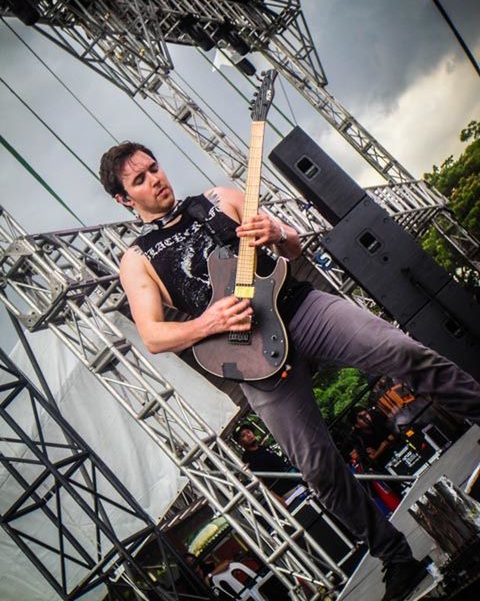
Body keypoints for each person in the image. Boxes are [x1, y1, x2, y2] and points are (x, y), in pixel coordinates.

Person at [99, 142, 480, 601]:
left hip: (299, 308)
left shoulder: (219, 199)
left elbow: (294, 244)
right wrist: (208, 322)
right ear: (123, 199)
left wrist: (277, 231)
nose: (155, 179)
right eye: (139, 180)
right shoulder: (137, 259)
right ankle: (396, 559)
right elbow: (155, 336)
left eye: (154, 168)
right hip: (249, 356)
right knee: (317, 468)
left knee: (402, 351)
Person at [234, 422, 298, 498]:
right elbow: (260, 482)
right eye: (243, 436)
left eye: (248, 432)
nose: (248, 435)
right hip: (285, 491)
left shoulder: (263, 448)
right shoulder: (247, 458)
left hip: (295, 480)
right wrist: (276, 498)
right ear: (240, 442)